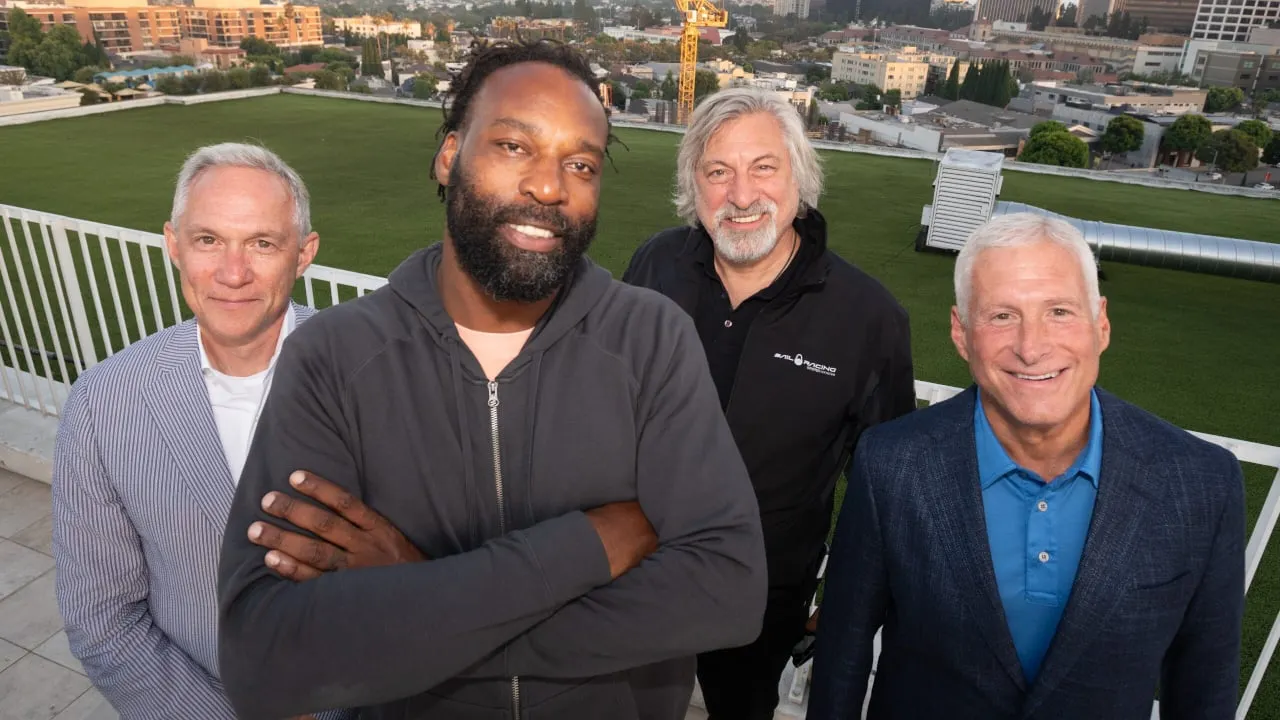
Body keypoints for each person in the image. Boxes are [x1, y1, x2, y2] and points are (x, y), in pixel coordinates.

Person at [216, 39, 767, 720]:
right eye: (513, 146)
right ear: (449, 156)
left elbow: (728, 590)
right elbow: (264, 654)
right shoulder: (333, 357)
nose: (549, 186)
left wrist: (424, 601)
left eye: (581, 164)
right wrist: (585, 547)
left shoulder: (651, 340)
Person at [808, 212, 1246, 720]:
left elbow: (1205, 691)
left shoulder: (1202, 484)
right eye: (1001, 316)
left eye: (1059, 311)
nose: (1032, 348)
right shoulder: (891, 463)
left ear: (1101, 324)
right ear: (961, 333)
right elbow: (843, 653)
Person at [621, 87, 916, 720]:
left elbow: (886, 486)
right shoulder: (656, 265)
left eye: (763, 167)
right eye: (717, 172)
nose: (741, 194)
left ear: (800, 178)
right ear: (693, 184)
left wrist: (843, 595)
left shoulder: (868, 317)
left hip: (761, 598)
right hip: (636, 572)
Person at [50, 143, 347, 719]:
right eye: (208, 240)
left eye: (262, 243)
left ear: (304, 253)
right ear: (173, 245)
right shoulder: (103, 403)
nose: (232, 274)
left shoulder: (374, 373)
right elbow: (102, 619)